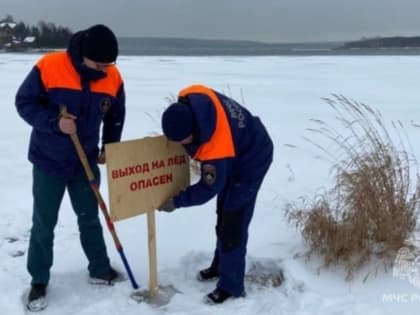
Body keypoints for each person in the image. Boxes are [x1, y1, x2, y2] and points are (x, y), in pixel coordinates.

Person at [15, 24, 126, 312]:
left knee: (90, 217)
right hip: (48, 160)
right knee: (44, 222)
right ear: (83, 55)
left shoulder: (111, 76)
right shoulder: (51, 66)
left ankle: (100, 269)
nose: (105, 69)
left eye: (109, 63)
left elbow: (115, 114)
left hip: (84, 161)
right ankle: (39, 279)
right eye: (99, 63)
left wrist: (108, 147)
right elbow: (24, 102)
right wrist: (55, 123)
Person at [159, 84, 273, 304]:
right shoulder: (191, 96)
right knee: (223, 213)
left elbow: (208, 188)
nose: (178, 146)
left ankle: (232, 287)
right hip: (237, 147)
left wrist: (177, 201)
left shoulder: (215, 147)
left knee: (233, 223)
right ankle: (221, 266)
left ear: (193, 132)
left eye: (181, 141)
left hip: (252, 159)